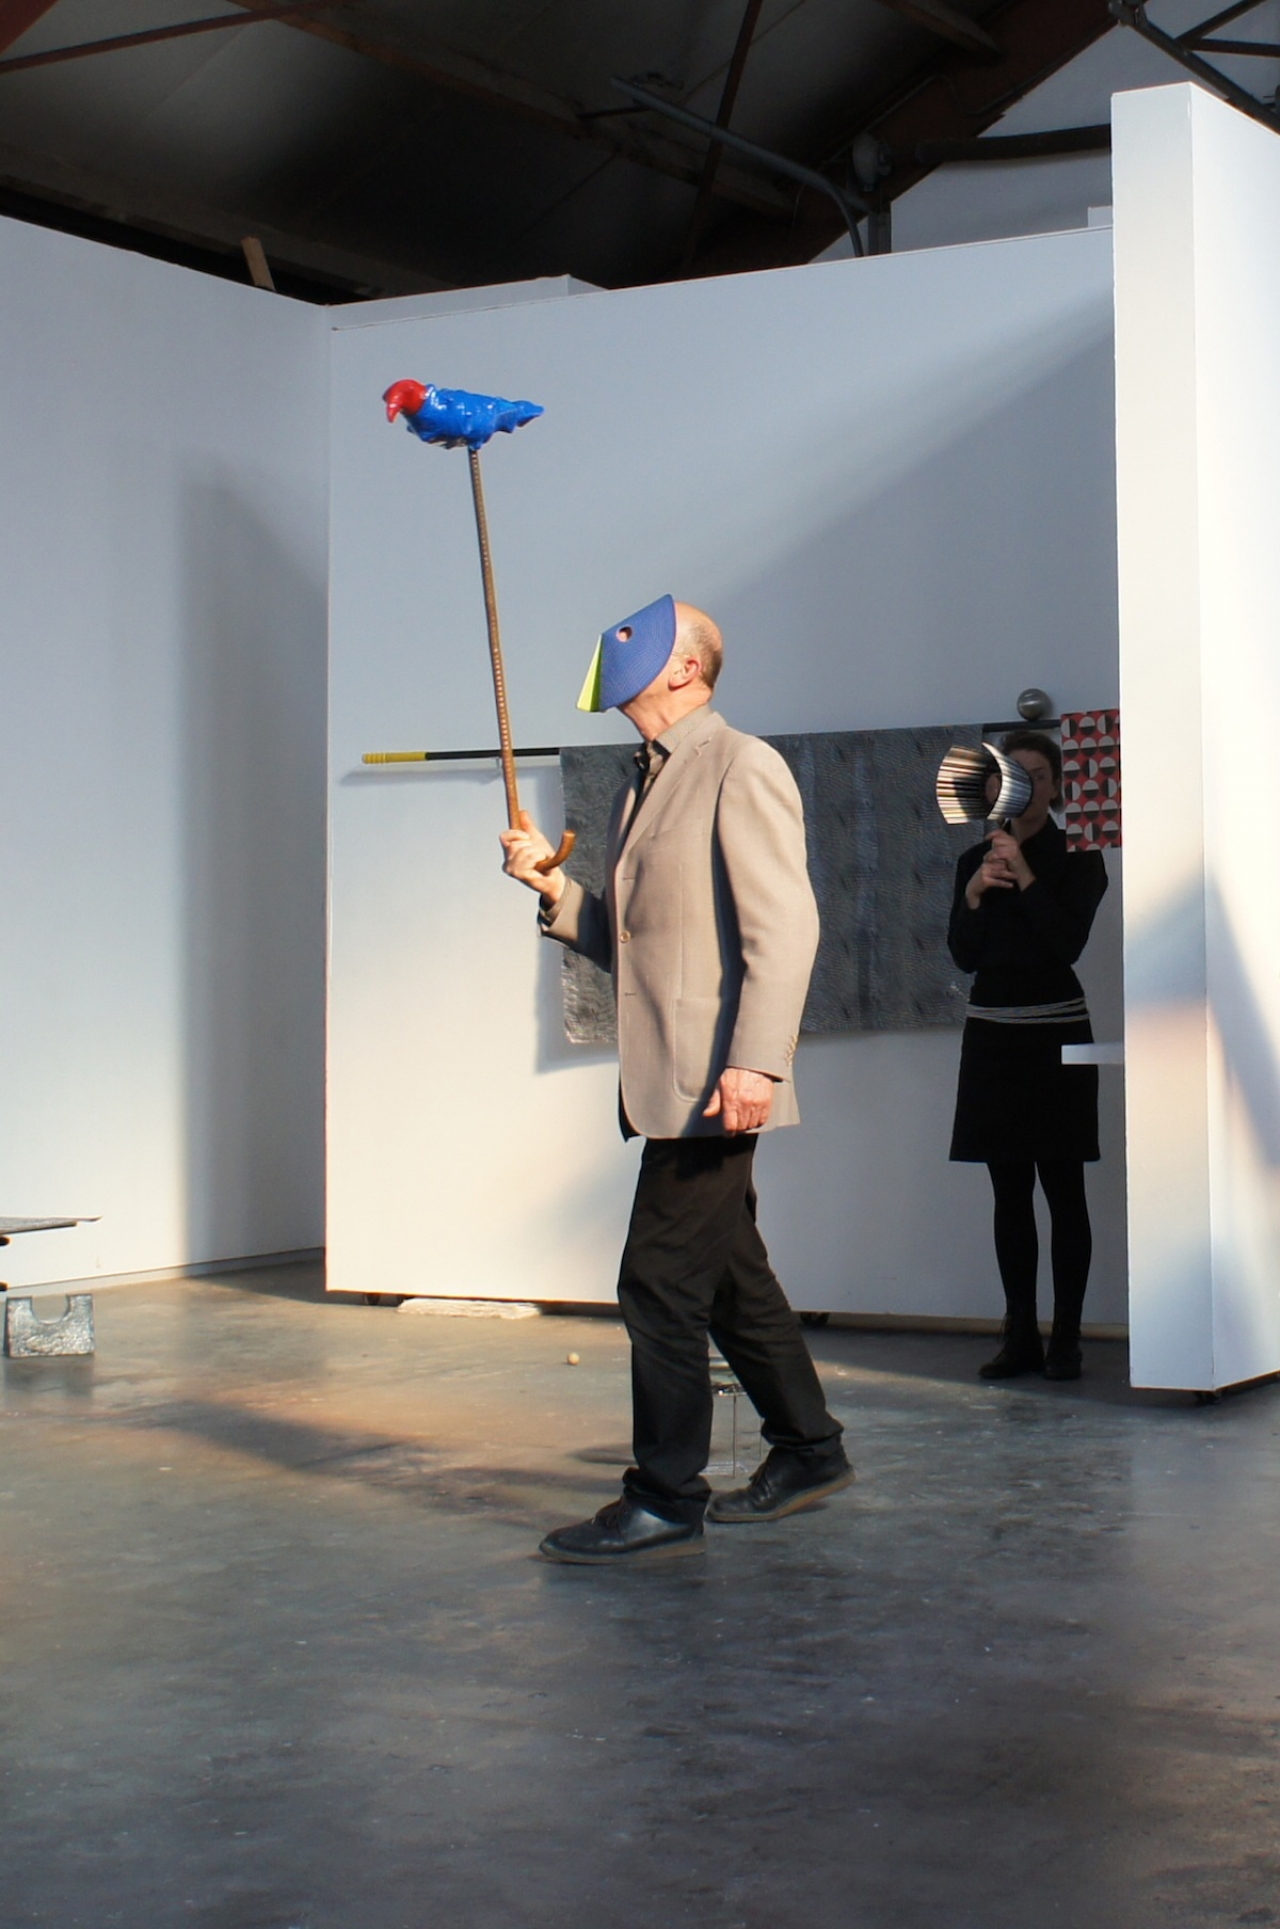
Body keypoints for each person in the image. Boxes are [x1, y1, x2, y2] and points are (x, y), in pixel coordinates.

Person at [501, 594, 851, 1563]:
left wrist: (756, 1062)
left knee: (656, 1283)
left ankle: (663, 1495)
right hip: (674, 1081)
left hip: (713, 1083)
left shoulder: (740, 765)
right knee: (729, 1279)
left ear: (685, 668)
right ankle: (811, 1448)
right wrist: (554, 888)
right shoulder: (644, 782)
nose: (620, 649)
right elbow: (640, 942)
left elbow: (786, 927)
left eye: (642, 642)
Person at [947, 729, 1109, 1382]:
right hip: (992, 1035)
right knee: (1008, 1192)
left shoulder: (1081, 859)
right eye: (1010, 775)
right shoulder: (973, 860)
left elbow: (1066, 943)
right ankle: (1020, 1334)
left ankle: (1066, 1337)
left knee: (1064, 1188)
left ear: (1056, 786)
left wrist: (1027, 875)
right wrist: (974, 895)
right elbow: (964, 955)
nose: (1023, 786)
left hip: (1058, 1034)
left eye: (1037, 775)